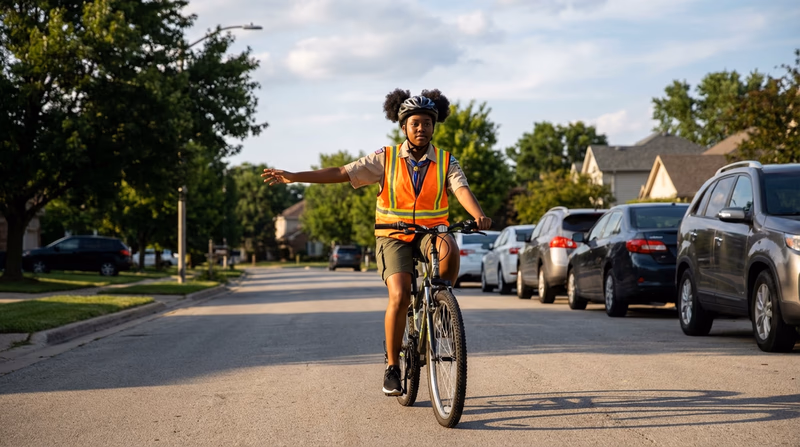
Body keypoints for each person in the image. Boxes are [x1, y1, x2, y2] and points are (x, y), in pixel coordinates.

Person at [261, 88, 492, 395]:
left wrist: (478, 215)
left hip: (431, 233)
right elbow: (342, 172)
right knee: (398, 294)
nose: (421, 128)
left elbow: (461, 189)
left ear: (434, 126)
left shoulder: (447, 161)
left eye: (426, 122)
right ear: (404, 127)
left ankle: (438, 309)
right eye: (415, 123)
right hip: (393, 235)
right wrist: (295, 176)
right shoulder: (385, 159)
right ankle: (393, 366)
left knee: (449, 248)